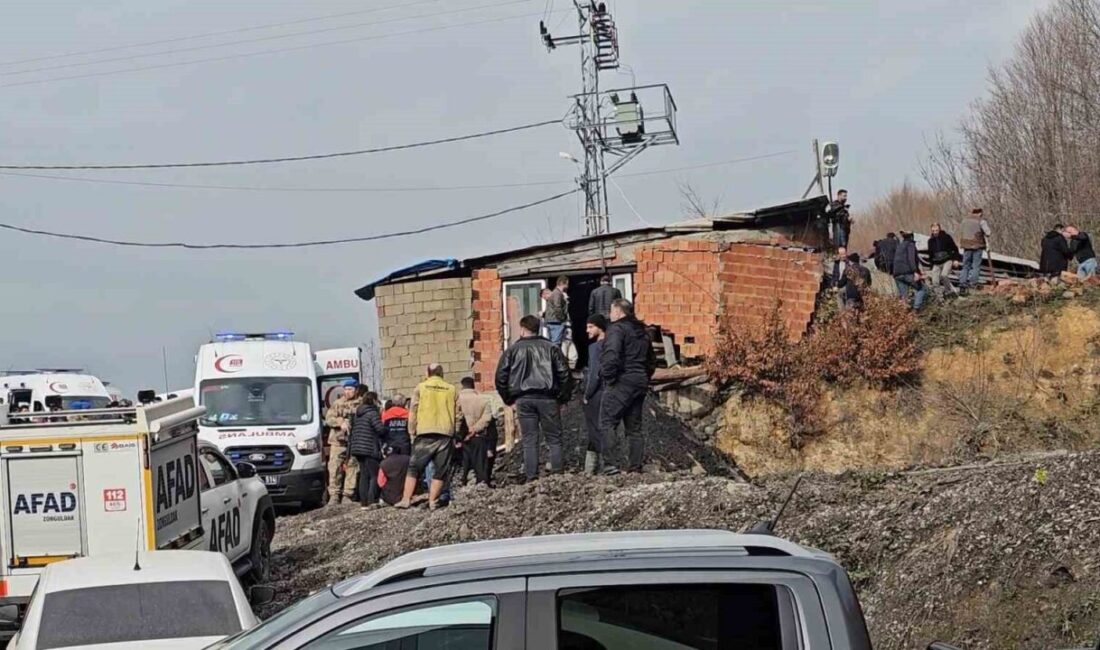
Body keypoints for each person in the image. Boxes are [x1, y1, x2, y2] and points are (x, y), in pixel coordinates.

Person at [495, 314, 571, 482]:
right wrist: (563, 398)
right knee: (554, 438)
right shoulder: (551, 348)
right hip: (548, 397)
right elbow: (564, 374)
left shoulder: (513, 350)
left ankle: (532, 476)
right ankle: (558, 475)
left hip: (523, 398)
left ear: (522, 329)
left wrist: (509, 400)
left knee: (529, 438)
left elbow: (500, 377)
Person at [600, 299, 657, 472]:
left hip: (622, 379)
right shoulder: (642, 332)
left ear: (618, 311)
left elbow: (611, 355)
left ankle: (610, 466)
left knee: (607, 422)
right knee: (634, 428)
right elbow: (651, 361)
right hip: (639, 381)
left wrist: (609, 377)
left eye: (611, 311)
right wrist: (644, 377)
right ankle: (635, 467)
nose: (610, 315)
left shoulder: (617, 329)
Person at [396, 364, 457, 510]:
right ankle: (432, 502)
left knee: (414, 467)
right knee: (440, 470)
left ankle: (405, 500)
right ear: (442, 374)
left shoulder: (421, 388)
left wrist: (411, 430)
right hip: (445, 433)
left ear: (427, 373)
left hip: (425, 432)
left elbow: (413, 411)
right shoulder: (451, 389)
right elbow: (458, 413)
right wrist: (456, 431)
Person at [323, 379, 362, 505]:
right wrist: (340, 422)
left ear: (356, 390)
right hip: (338, 441)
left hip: (354, 440)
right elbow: (328, 419)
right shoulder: (338, 403)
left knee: (353, 468)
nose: (348, 392)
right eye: (346, 389)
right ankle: (334, 495)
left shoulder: (360, 404)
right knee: (335, 469)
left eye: (350, 389)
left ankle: (348, 494)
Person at [583, 314, 610, 475]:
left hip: (598, 393)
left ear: (600, 327)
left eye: (590, 326)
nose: (587, 331)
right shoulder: (614, 345)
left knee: (594, 429)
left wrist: (587, 394)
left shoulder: (595, 348)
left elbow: (594, 373)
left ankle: (598, 468)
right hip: (612, 391)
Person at [349, 390, 385, 508]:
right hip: (369, 448)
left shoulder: (358, 413)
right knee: (374, 475)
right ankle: (372, 500)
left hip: (357, 448)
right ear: (374, 400)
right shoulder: (372, 413)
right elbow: (380, 429)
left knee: (364, 475)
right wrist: (387, 430)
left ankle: (363, 502)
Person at [456, 377, 495, 486]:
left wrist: (461, 434)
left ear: (462, 386)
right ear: (473, 386)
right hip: (479, 437)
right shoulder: (483, 399)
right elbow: (487, 418)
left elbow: (456, 417)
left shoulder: (456, 399)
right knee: (480, 467)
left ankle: (461, 484)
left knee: (461, 467)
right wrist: (474, 429)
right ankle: (482, 486)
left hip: (460, 439)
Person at [892, 230, 927, 310]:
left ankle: (904, 316)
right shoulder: (910, 245)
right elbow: (911, 259)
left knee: (904, 296)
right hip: (907, 273)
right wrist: (915, 272)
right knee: (922, 289)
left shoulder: (900, 246)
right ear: (912, 236)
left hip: (897, 274)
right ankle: (916, 309)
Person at [959, 208, 991, 291]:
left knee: (965, 266)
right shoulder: (981, 221)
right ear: (980, 213)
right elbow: (988, 233)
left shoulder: (964, 221)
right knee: (976, 266)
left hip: (966, 246)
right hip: (977, 246)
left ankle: (962, 283)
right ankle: (973, 284)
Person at [926, 222, 961, 299]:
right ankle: (939, 297)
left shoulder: (946, 237)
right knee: (935, 280)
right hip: (936, 262)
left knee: (944, 275)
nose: (935, 232)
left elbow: (955, 249)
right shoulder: (930, 241)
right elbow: (930, 255)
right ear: (931, 231)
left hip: (947, 260)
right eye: (933, 231)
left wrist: (956, 259)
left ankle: (949, 292)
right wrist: (931, 267)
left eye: (936, 230)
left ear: (939, 230)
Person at [543, 276, 570, 345]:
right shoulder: (557, 293)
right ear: (563, 283)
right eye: (567, 283)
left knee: (553, 342)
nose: (567, 286)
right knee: (556, 343)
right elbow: (557, 307)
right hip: (556, 322)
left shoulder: (555, 293)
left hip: (553, 321)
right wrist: (562, 319)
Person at [830, 246, 849, 310]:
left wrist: (837, 286)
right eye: (842, 254)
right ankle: (841, 313)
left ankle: (844, 313)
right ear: (839, 255)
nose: (843, 255)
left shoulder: (849, 263)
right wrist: (833, 285)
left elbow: (846, 277)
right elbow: (834, 275)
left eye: (844, 253)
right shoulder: (837, 263)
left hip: (846, 286)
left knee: (840, 294)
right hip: (838, 285)